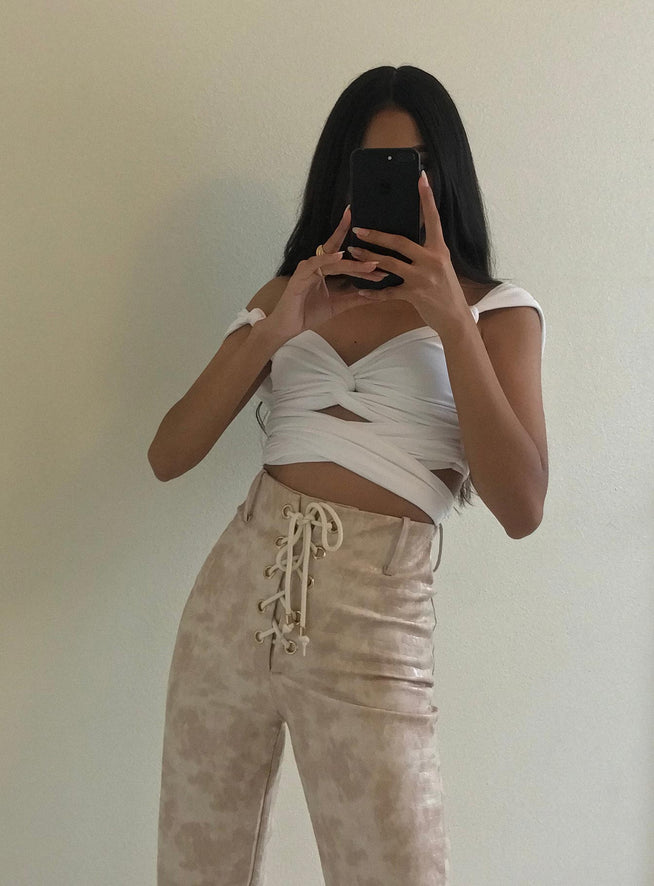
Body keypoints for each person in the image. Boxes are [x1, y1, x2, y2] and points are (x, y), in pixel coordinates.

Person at [149, 65, 548, 886]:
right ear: (344, 177)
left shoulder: (496, 313)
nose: (401, 186)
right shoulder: (288, 292)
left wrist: (452, 323)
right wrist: (275, 328)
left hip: (375, 625)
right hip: (230, 609)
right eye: (376, 167)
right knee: (197, 870)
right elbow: (170, 453)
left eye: (418, 166)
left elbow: (522, 506)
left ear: (447, 175)